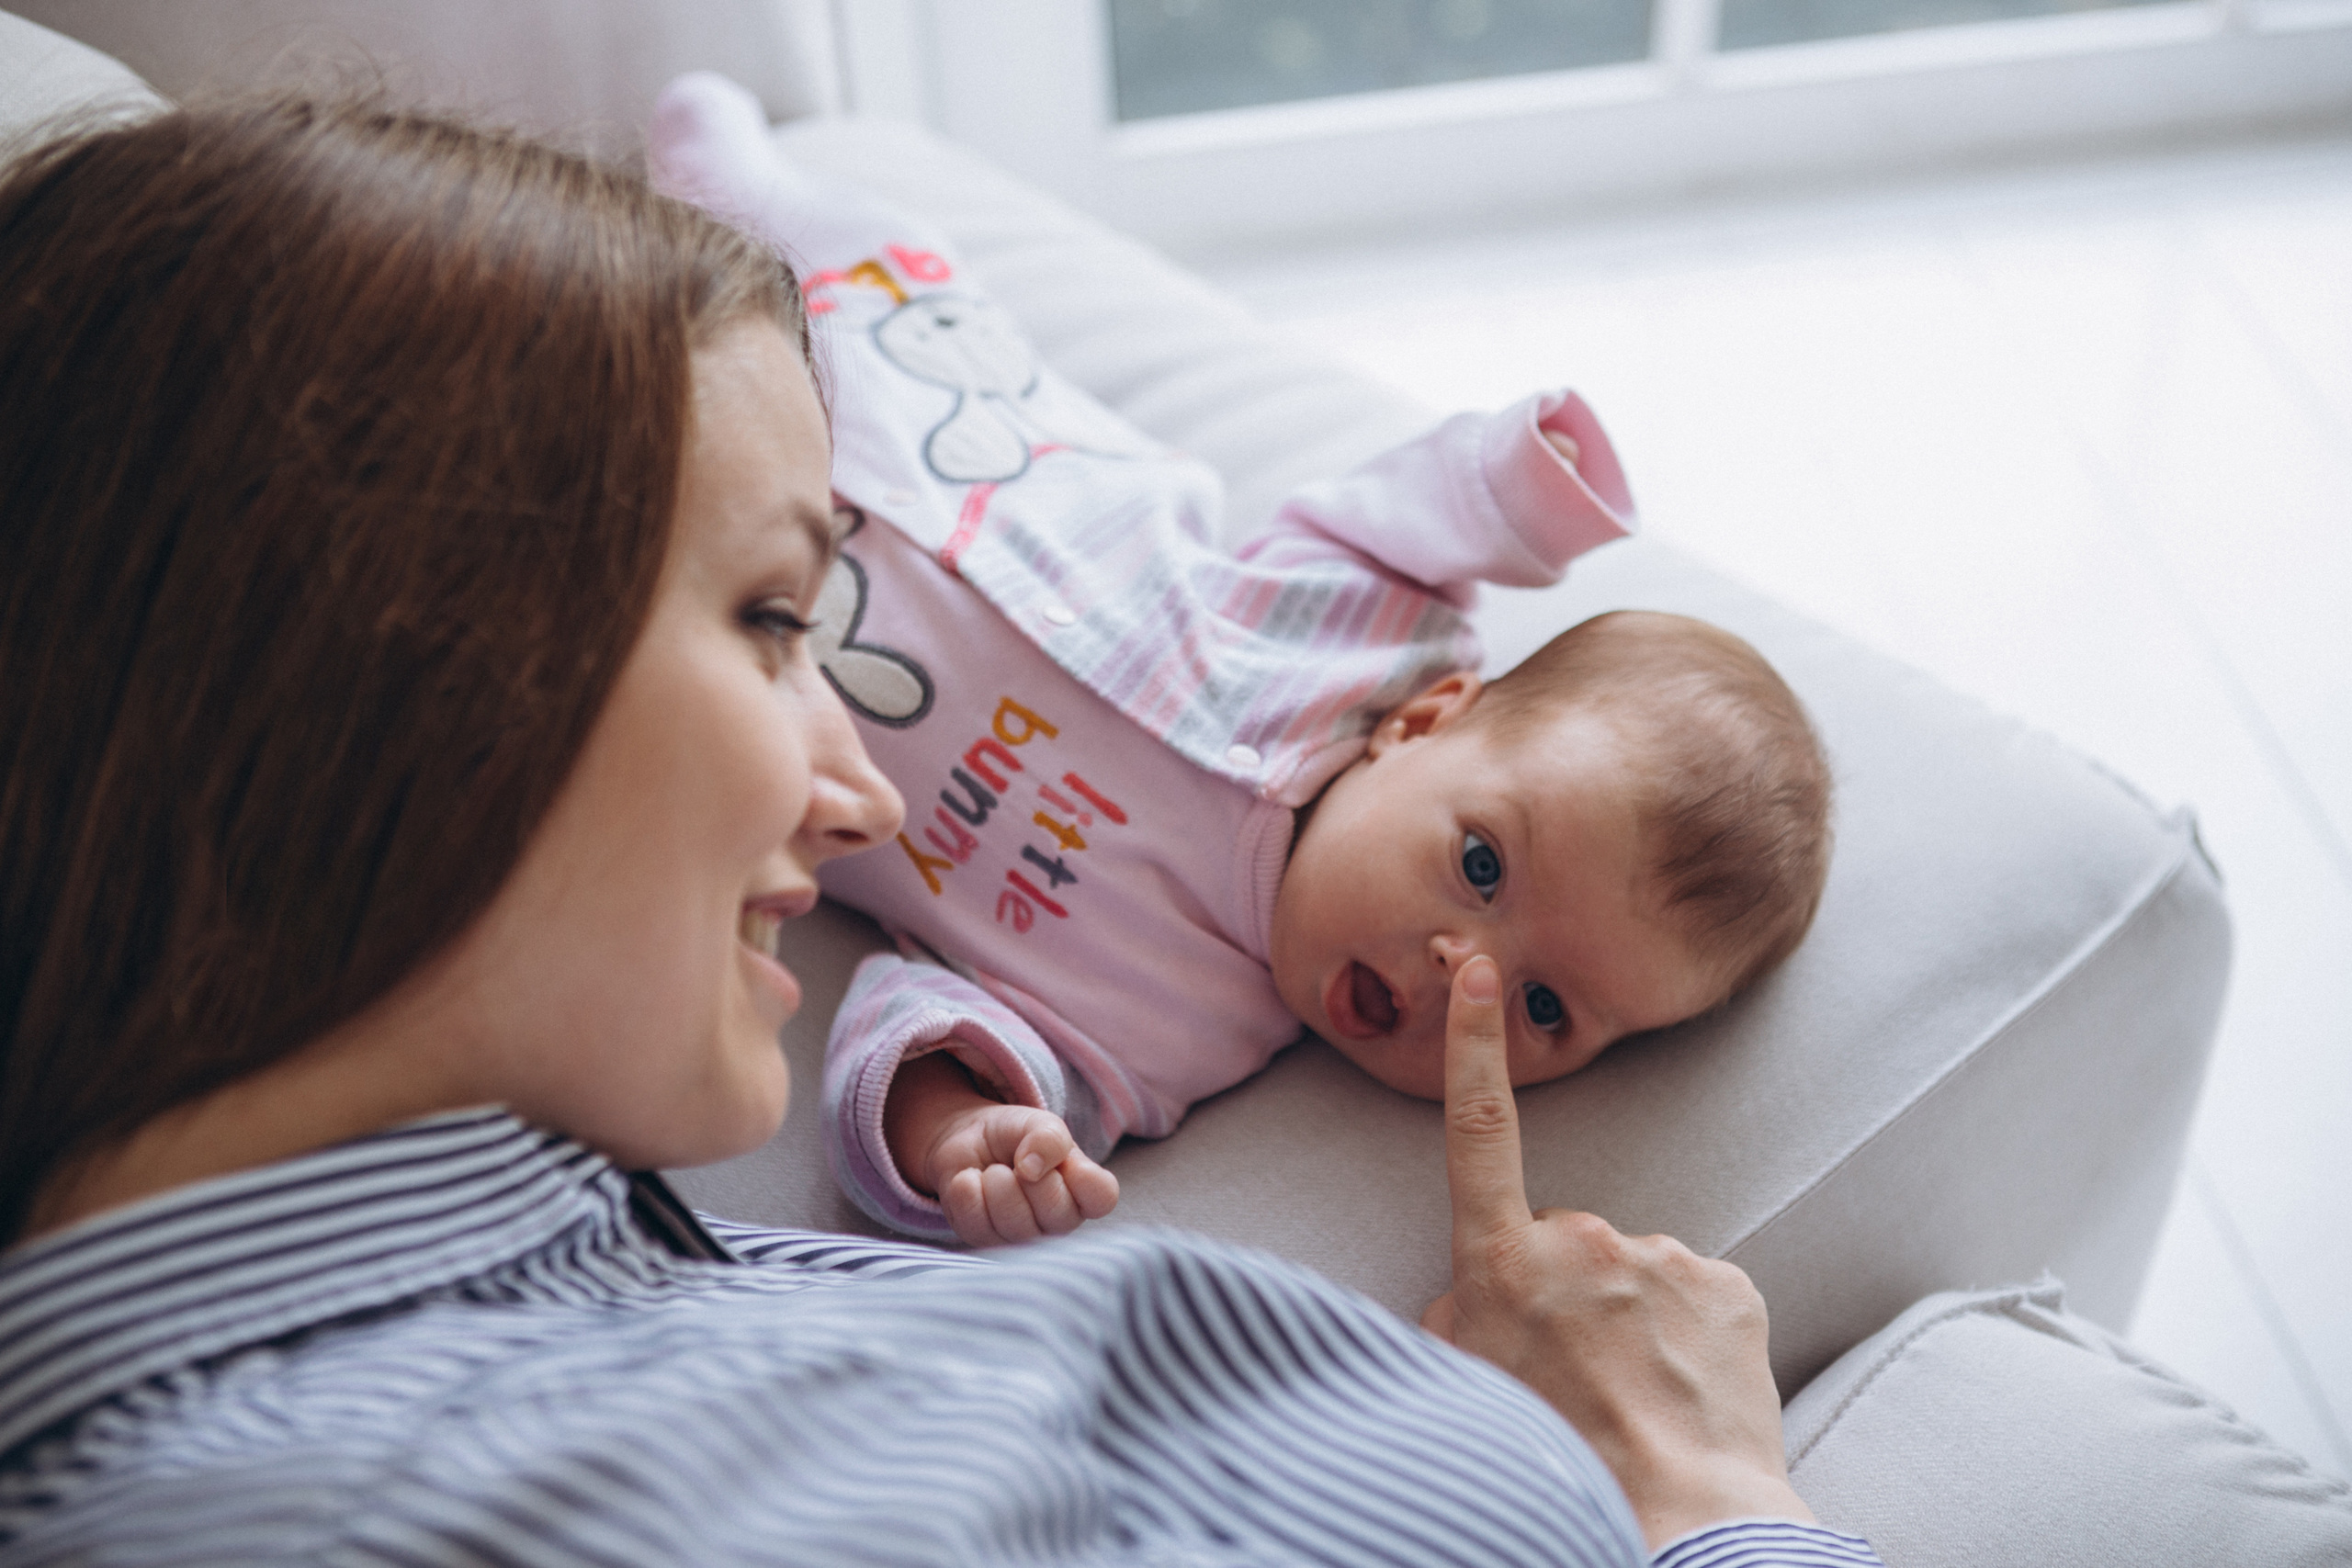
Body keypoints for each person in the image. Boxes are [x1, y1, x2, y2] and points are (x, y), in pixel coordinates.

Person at [0, 95, 1876, 1566]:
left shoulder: (511, 1263)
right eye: (764, 621)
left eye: (1553, 1009)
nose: (864, 791)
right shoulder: (378, 1500)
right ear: (398, 649)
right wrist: (1704, 1500)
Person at [649, 74, 1835, 1248]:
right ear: (1427, 722)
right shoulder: (1372, 635)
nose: (1459, 975)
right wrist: (1527, 493)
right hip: (957, 414)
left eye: (1545, 1008)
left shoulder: (1166, 1030)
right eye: (1481, 863)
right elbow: (1398, 507)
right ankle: (744, 188)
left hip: (728, 611)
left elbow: (919, 1015)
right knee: (867, 290)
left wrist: (960, 1131)